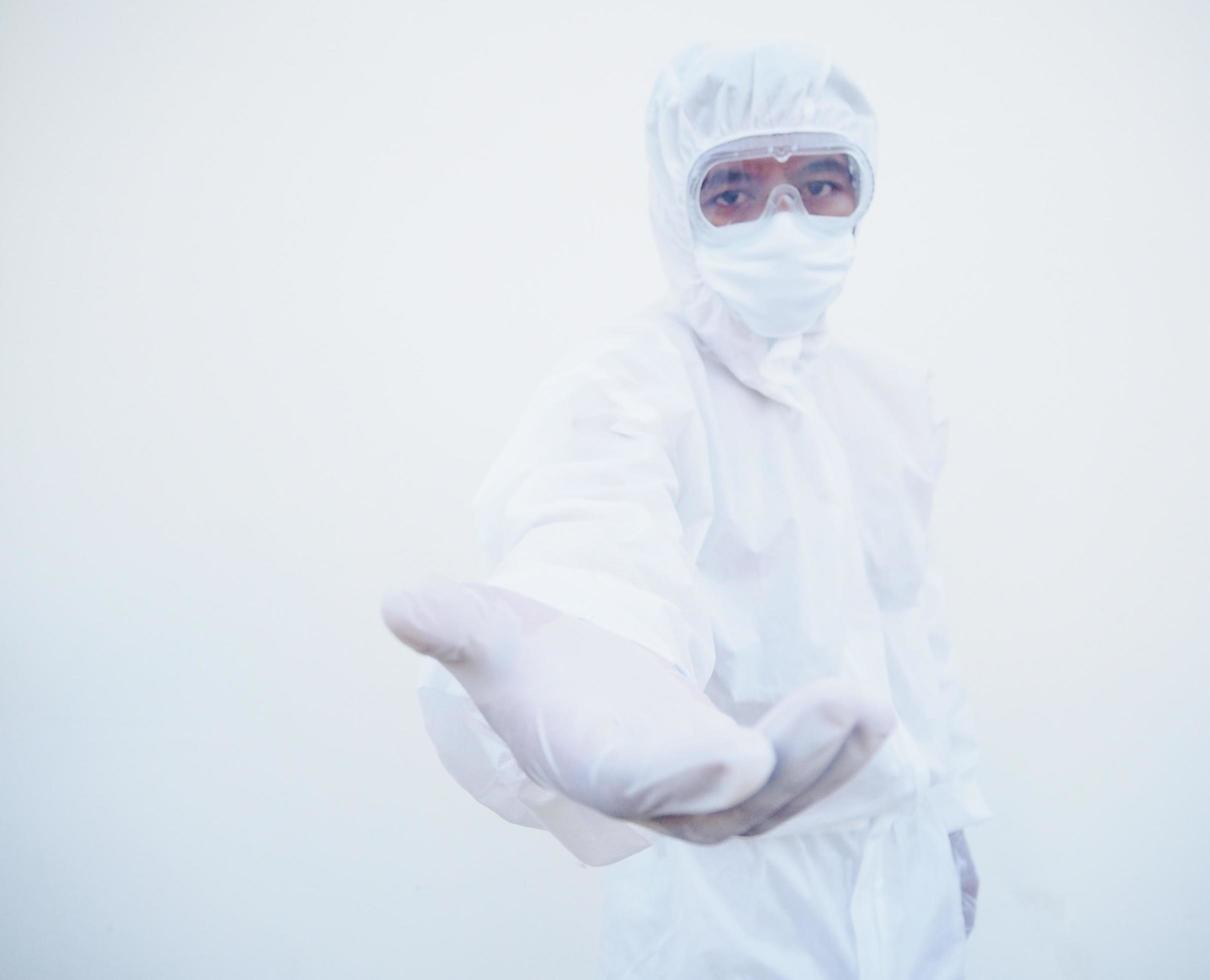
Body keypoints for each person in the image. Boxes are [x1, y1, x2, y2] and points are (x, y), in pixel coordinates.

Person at [382, 39, 993, 979]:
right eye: (735, 190)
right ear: (679, 206)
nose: (784, 221)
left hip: (900, 875)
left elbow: (914, 624)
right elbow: (591, 539)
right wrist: (588, 677)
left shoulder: (892, 395)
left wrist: (952, 814)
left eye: (821, 183)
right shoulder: (630, 383)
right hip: (726, 905)